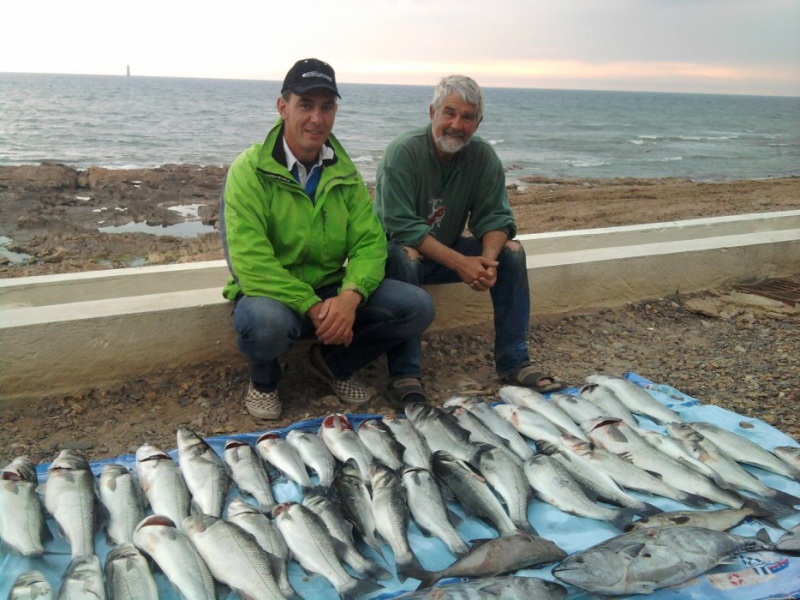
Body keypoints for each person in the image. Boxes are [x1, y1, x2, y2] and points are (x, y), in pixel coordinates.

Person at [219, 58, 435, 419]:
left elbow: (370, 243)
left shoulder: (344, 172)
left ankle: (333, 363)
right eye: (306, 105)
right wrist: (314, 307)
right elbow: (249, 262)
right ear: (283, 107)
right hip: (272, 296)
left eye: (327, 107)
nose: (317, 118)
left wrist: (349, 297)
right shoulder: (249, 170)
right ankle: (264, 380)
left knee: (417, 307)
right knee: (266, 324)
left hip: (331, 289)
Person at [374, 74, 564, 395]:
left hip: (444, 254)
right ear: (431, 112)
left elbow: (496, 217)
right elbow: (401, 226)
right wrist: (462, 264)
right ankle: (405, 373)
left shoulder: (482, 157)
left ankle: (515, 361)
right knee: (407, 254)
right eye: (449, 113)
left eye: (467, 117)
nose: (456, 124)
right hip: (392, 260)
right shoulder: (403, 153)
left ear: (478, 122)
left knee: (512, 252)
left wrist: (486, 264)